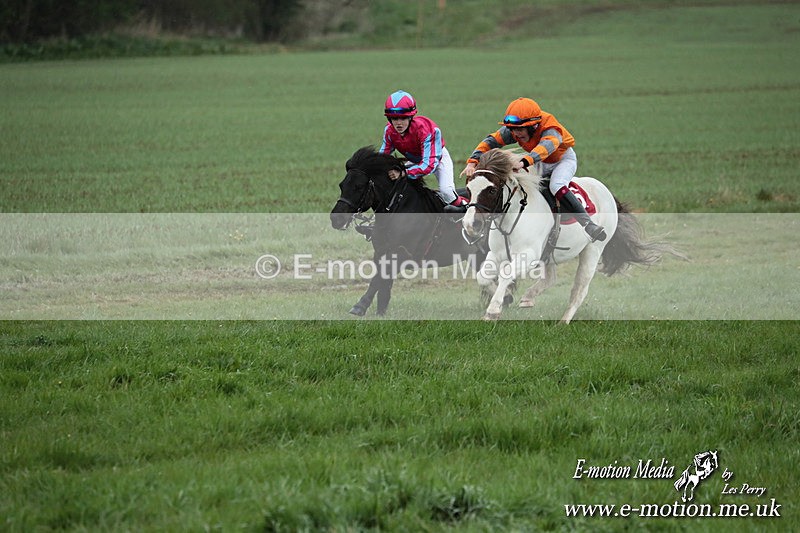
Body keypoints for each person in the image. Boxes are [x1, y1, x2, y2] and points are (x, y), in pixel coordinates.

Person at [462, 97, 606, 241]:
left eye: (520, 129)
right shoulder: (514, 130)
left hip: (562, 160)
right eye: (512, 129)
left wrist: (525, 162)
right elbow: (490, 141)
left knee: (555, 185)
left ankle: (588, 223)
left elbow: (546, 148)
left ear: (534, 126)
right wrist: (472, 162)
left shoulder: (550, 128)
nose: (516, 134)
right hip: (538, 161)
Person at [379, 90, 467, 207]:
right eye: (395, 119)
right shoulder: (389, 131)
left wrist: (404, 173)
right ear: (389, 119)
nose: (399, 123)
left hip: (437, 160)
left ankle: (466, 207)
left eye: (403, 118)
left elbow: (429, 165)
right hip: (416, 161)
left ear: (410, 117)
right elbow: (382, 157)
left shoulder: (426, 130)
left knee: (447, 192)